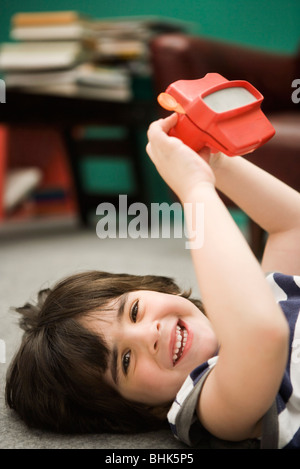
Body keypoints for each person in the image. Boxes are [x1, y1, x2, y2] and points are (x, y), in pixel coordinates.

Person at [5, 113, 300, 449]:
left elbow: (292, 227)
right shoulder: (209, 405)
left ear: (157, 288)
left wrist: (209, 160)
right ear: (143, 409)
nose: (149, 334)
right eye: (125, 361)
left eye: (133, 311)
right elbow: (262, 336)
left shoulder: (269, 296)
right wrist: (194, 189)